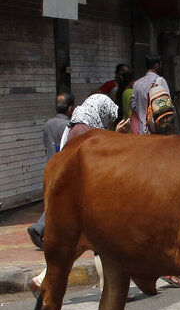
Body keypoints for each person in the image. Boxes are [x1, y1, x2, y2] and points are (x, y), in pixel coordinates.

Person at [29, 94, 131, 292]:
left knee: (89, 247)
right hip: (85, 198)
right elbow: (101, 159)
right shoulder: (84, 131)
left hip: (80, 197)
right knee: (98, 246)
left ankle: (44, 280)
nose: (107, 121)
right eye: (106, 117)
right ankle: (110, 290)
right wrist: (117, 135)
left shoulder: (78, 127)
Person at [26, 93, 75, 249]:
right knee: (60, 201)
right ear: (70, 108)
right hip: (63, 169)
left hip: (50, 167)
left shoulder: (48, 124)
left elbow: (46, 147)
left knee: (57, 201)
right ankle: (39, 228)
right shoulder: (68, 126)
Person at [131, 53, 171, 134]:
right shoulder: (160, 81)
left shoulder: (137, 84)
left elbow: (133, 106)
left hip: (141, 131)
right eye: (160, 64)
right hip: (158, 131)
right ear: (156, 65)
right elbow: (168, 104)